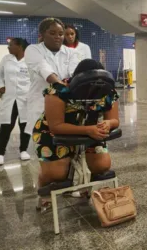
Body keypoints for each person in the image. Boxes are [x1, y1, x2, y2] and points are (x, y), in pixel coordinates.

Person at [33, 59, 119, 207]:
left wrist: (108, 123)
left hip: (91, 131)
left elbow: (114, 120)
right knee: (56, 174)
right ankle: (43, 189)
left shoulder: (107, 90)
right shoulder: (58, 90)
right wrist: (88, 130)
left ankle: (84, 186)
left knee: (102, 165)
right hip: (53, 132)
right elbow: (56, 126)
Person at [24, 18, 80, 136]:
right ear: (42, 34)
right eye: (52, 33)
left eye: (60, 34)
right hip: (40, 105)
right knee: (45, 147)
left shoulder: (71, 53)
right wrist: (59, 85)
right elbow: (43, 68)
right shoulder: (33, 49)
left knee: (68, 145)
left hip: (67, 106)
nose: (58, 37)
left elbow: (75, 74)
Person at [0, 38, 32, 166]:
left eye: (11, 45)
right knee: (5, 126)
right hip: (9, 98)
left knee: (25, 126)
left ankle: (23, 150)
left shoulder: (30, 60)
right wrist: (1, 85)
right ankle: (0, 153)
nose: (8, 47)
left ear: (20, 47)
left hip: (25, 98)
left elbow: (36, 79)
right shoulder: (6, 59)